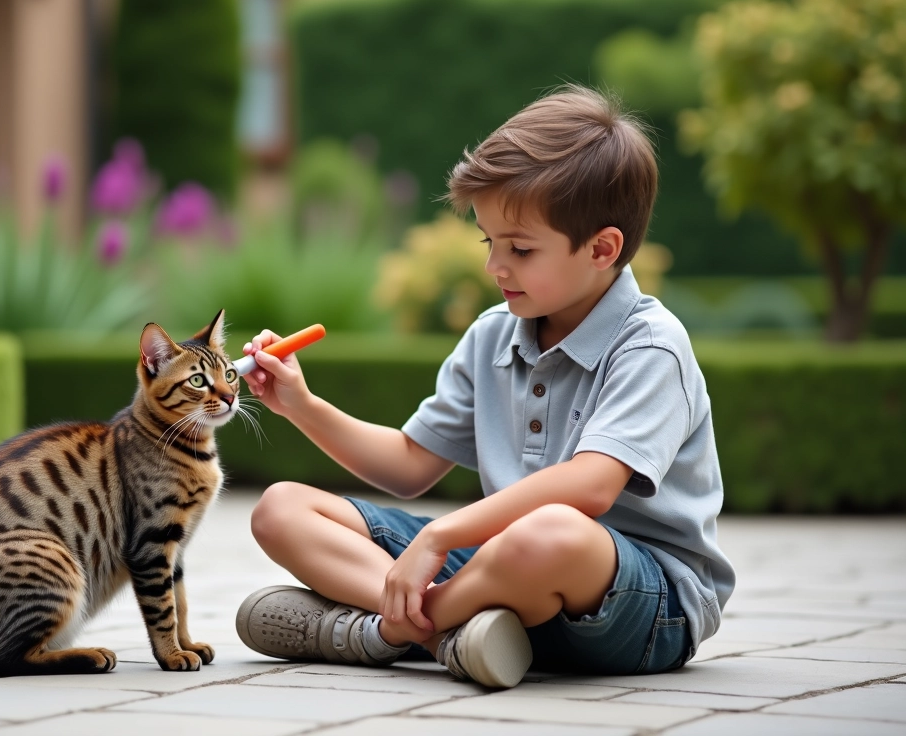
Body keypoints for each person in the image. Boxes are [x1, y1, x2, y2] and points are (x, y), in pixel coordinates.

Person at [234, 85, 735, 689]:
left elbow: (592, 487)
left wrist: (443, 535)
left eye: (520, 249)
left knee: (550, 532)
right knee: (281, 509)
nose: (495, 266)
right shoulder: (494, 333)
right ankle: (459, 635)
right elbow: (410, 466)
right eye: (490, 242)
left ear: (602, 249)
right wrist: (301, 405)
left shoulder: (649, 344)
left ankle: (380, 634)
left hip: (639, 604)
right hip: (503, 574)